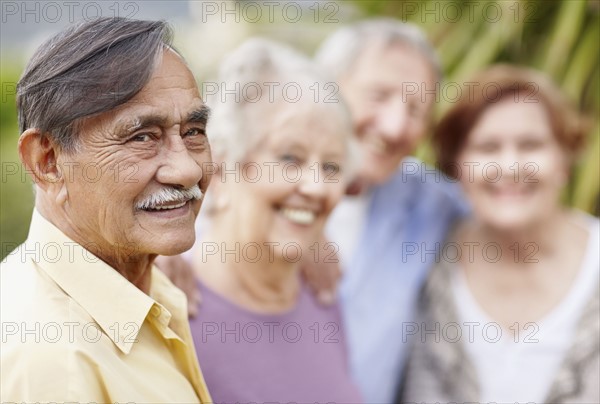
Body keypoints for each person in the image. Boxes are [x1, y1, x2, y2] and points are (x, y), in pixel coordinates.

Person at [157, 18, 467, 402]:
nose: (394, 125)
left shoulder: (324, 289)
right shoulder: (169, 294)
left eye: (417, 109)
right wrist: (149, 253)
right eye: (291, 158)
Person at [1, 18, 213, 402]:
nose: (187, 169)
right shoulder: (55, 364)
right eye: (142, 137)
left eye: (193, 132)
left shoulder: (146, 280)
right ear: (47, 162)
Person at [399, 65, 599, 403]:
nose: (509, 167)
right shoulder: (430, 260)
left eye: (531, 145)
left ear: (564, 160)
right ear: (457, 166)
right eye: (487, 148)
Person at [187, 38, 362, 403]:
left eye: (330, 166)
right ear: (219, 170)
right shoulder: (171, 316)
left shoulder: (322, 293)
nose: (316, 187)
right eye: (289, 159)